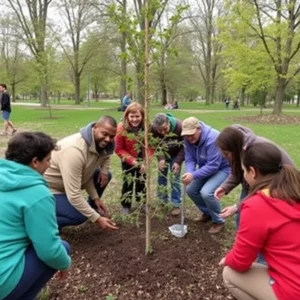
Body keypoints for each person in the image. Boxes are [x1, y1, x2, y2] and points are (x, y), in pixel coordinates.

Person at [219, 142, 300, 300]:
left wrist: (227, 259)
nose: (244, 175)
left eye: (244, 171)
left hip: (294, 289)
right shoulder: (294, 188)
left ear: (253, 172)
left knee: (229, 273)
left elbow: (241, 261)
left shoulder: (257, 206)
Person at [0, 132, 71, 300]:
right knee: (62, 248)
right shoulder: (38, 194)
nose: (49, 164)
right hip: (2, 280)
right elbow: (49, 250)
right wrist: (65, 264)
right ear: (35, 162)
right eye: (47, 159)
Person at [43, 115, 118, 231]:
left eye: (112, 136)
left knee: (104, 175)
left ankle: (91, 210)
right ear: (95, 128)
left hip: (66, 184)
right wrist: (97, 219)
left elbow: (86, 174)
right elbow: (73, 195)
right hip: (49, 189)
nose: (108, 139)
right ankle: (42, 223)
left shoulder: (97, 146)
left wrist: (95, 198)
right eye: (104, 134)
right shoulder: (75, 151)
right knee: (79, 215)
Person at [214, 125, 293, 227]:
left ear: (252, 172)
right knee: (241, 217)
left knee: (250, 219)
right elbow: (237, 172)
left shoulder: (255, 153)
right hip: (256, 186)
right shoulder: (238, 148)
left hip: (276, 187)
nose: (225, 157)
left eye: (226, 153)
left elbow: (261, 191)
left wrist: (236, 207)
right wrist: (224, 187)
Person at [181, 117, 230, 234]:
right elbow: (189, 158)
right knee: (191, 189)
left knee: (207, 192)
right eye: (186, 135)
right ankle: (208, 213)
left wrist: (194, 175)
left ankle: (218, 220)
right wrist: (189, 172)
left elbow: (214, 165)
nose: (189, 138)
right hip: (205, 168)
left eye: (191, 134)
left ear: (199, 129)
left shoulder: (213, 138)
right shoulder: (187, 139)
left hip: (222, 168)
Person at [115, 103, 150, 215]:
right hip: (127, 159)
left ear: (142, 116)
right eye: (132, 116)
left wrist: (146, 160)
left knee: (141, 182)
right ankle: (126, 205)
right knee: (128, 183)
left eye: (137, 116)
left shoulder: (147, 127)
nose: (135, 119)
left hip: (142, 158)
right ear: (127, 116)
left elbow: (151, 146)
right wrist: (132, 161)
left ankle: (142, 203)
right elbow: (118, 149)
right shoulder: (121, 128)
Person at [151, 113, 184, 216]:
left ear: (169, 122)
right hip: (163, 154)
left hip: (176, 154)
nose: (163, 133)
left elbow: (184, 147)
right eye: (160, 131)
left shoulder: (179, 126)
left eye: (165, 129)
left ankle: (176, 204)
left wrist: (178, 162)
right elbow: (155, 144)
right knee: (162, 177)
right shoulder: (153, 129)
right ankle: (162, 201)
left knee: (175, 177)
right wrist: (161, 158)